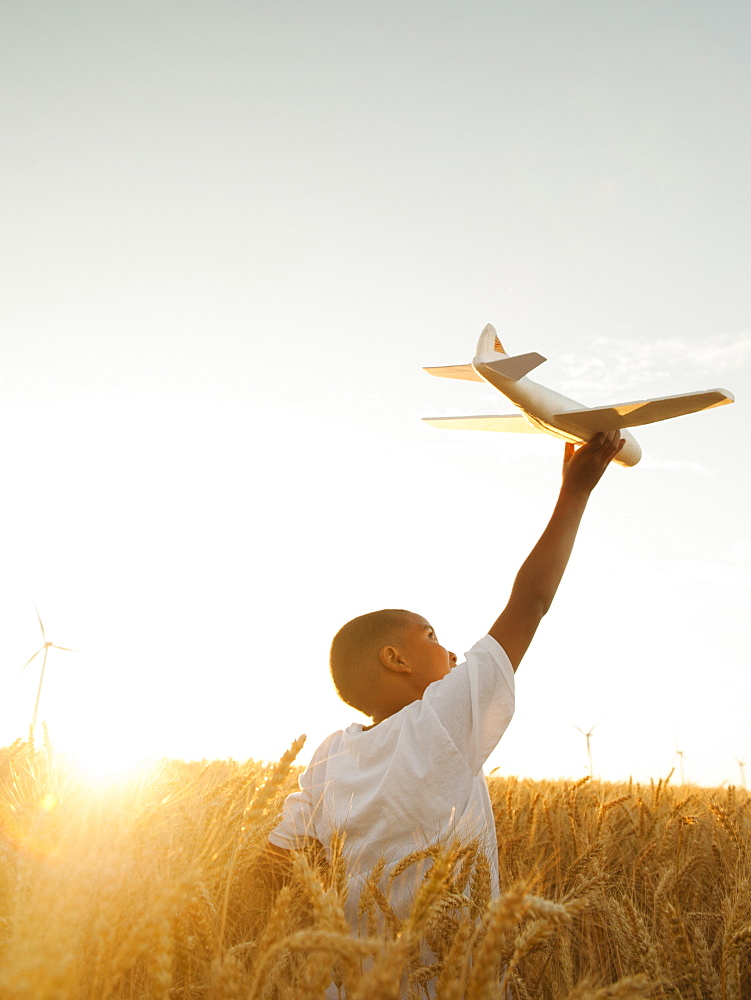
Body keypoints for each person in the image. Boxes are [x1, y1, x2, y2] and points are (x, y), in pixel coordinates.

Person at [266, 431, 624, 941]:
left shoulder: (327, 755)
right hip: (449, 980)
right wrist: (576, 493)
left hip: (346, 980)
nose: (452, 652)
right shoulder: (441, 720)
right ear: (395, 659)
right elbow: (531, 602)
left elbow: (277, 859)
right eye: (432, 636)